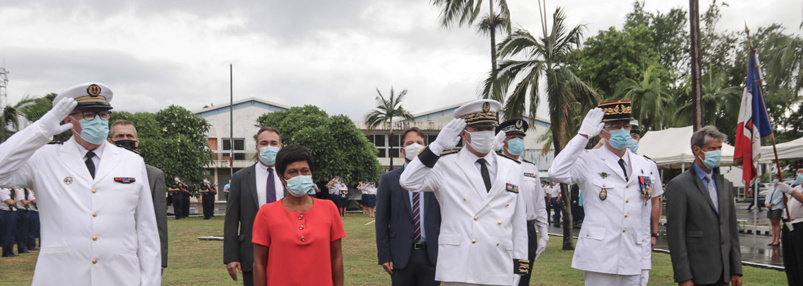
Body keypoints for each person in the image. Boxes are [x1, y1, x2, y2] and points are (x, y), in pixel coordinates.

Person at [0, 82, 160, 285]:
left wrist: (150, 282)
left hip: (119, 277)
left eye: (103, 115)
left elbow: (146, 230)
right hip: (61, 276)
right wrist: (41, 130)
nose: (98, 120)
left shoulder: (131, 161)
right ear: (68, 118)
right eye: (88, 114)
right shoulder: (44, 158)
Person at [400, 99, 529, 285]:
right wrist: (436, 147)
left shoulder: (512, 168)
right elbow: (407, 181)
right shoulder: (445, 164)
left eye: (490, 129)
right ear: (464, 132)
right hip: (461, 267)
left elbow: (518, 221)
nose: (485, 134)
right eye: (478, 129)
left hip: (500, 263)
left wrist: (520, 263)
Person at [548, 100, 657, 285]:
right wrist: (582, 136)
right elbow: (556, 172)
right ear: (602, 131)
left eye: (625, 126)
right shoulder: (588, 160)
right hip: (599, 257)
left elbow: (643, 217)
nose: (622, 131)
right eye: (615, 126)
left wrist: (645, 262)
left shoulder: (646, 166)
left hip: (633, 256)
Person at [252, 145, 345, 286]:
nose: (300, 176)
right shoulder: (266, 213)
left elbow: (336, 257)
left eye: (305, 171)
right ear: (282, 178)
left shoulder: (329, 209)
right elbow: (259, 263)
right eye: (292, 172)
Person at [666, 126, 742, 286]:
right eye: (712, 148)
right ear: (697, 150)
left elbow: (731, 230)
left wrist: (736, 269)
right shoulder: (679, 185)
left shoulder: (724, 184)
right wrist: (683, 276)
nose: (717, 152)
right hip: (697, 273)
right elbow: (676, 236)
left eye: (719, 148)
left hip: (723, 273)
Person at [375, 127, 442, 286]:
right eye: (410, 143)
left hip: (432, 255)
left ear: (426, 148)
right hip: (401, 256)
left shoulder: (437, 179)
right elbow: (382, 221)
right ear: (402, 150)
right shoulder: (389, 180)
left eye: (419, 143)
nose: (415, 146)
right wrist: (384, 256)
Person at [224, 126, 284, 286]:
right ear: (257, 147)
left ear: (281, 146)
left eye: (273, 143)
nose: (269, 147)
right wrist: (231, 256)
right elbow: (231, 219)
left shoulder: (290, 176)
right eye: (264, 143)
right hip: (251, 252)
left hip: (287, 250)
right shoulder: (240, 178)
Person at [110, 119, 169, 270]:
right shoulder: (98, 173)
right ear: (110, 141)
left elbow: (159, 222)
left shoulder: (153, 175)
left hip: (139, 251)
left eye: (129, 136)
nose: (125, 140)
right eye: (119, 136)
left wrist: (160, 262)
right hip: (107, 251)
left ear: (137, 141)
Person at [497, 118, 550, 286]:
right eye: (512, 137)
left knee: (523, 276)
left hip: (527, 229)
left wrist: (544, 233)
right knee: (500, 276)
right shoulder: (494, 166)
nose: (518, 142)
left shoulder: (531, 168)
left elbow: (539, 203)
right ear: (503, 140)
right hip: (503, 228)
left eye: (520, 138)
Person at [626, 119, 664, 286]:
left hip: (642, 236)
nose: (632, 140)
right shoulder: (609, 164)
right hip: (618, 234)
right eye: (628, 136)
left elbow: (655, 201)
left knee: (641, 280)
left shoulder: (649, 165)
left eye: (635, 136)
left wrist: (654, 233)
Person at [775, 169, 803, 285]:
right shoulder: (797, 188)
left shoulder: (794, 191)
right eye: (799, 172)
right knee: (790, 261)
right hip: (790, 225)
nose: (800, 175)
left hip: (801, 226)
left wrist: (790, 191)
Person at [764, 177, 783, 246]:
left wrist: (772, 203)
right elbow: (768, 196)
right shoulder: (772, 187)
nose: (775, 179)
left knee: (776, 222)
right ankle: (773, 239)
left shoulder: (781, 187)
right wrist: (766, 203)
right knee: (772, 223)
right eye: (774, 178)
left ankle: (777, 239)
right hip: (769, 207)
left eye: (776, 178)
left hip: (777, 207)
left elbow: (780, 197)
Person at [0, 188, 16, 257]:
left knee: (11, 233)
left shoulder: (11, 190)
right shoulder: (2, 190)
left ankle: (10, 251)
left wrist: (14, 199)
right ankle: (6, 252)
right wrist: (15, 199)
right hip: (5, 211)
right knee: (6, 232)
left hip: (11, 211)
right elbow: (10, 202)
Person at [14, 188, 31, 254]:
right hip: (21, 210)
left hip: (26, 210)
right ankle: (21, 248)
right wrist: (29, 200)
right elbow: (24, 202)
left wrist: (28, 200)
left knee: (25, 230)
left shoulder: (27, 190)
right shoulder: (21, 190)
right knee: (21, 231)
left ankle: (24, 247)